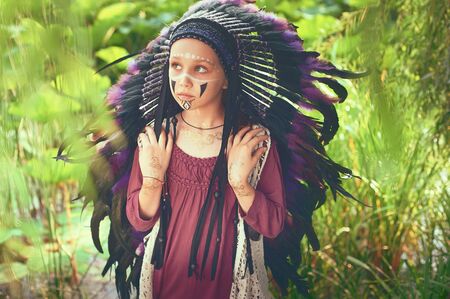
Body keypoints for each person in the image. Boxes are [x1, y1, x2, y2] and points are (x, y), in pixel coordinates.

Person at [81, 0, 366, 298]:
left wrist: (242, 185)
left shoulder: (253, 142)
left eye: (200, 69)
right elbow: (139, 218)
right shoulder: (156, 137)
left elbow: (273, 225)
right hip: (167, 279)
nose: (183, 80)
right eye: (176, 66)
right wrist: (152, 179)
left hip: (230, 284)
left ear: (227, 76)